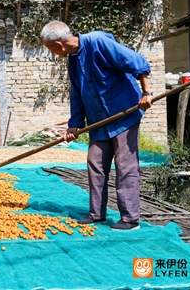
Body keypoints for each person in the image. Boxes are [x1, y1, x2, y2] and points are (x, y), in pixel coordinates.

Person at [41, 20, 153, 231]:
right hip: (98, 121)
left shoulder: (98, 42)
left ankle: (130, 218)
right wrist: (74, 124)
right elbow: (77, 93)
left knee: (125, 165)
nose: (52, 53)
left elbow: (135, 61)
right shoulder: (72, 60)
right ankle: (96, 214)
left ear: (59, 44)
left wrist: (146, 93)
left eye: (50, 49)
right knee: (95, 163)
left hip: (123, 114)